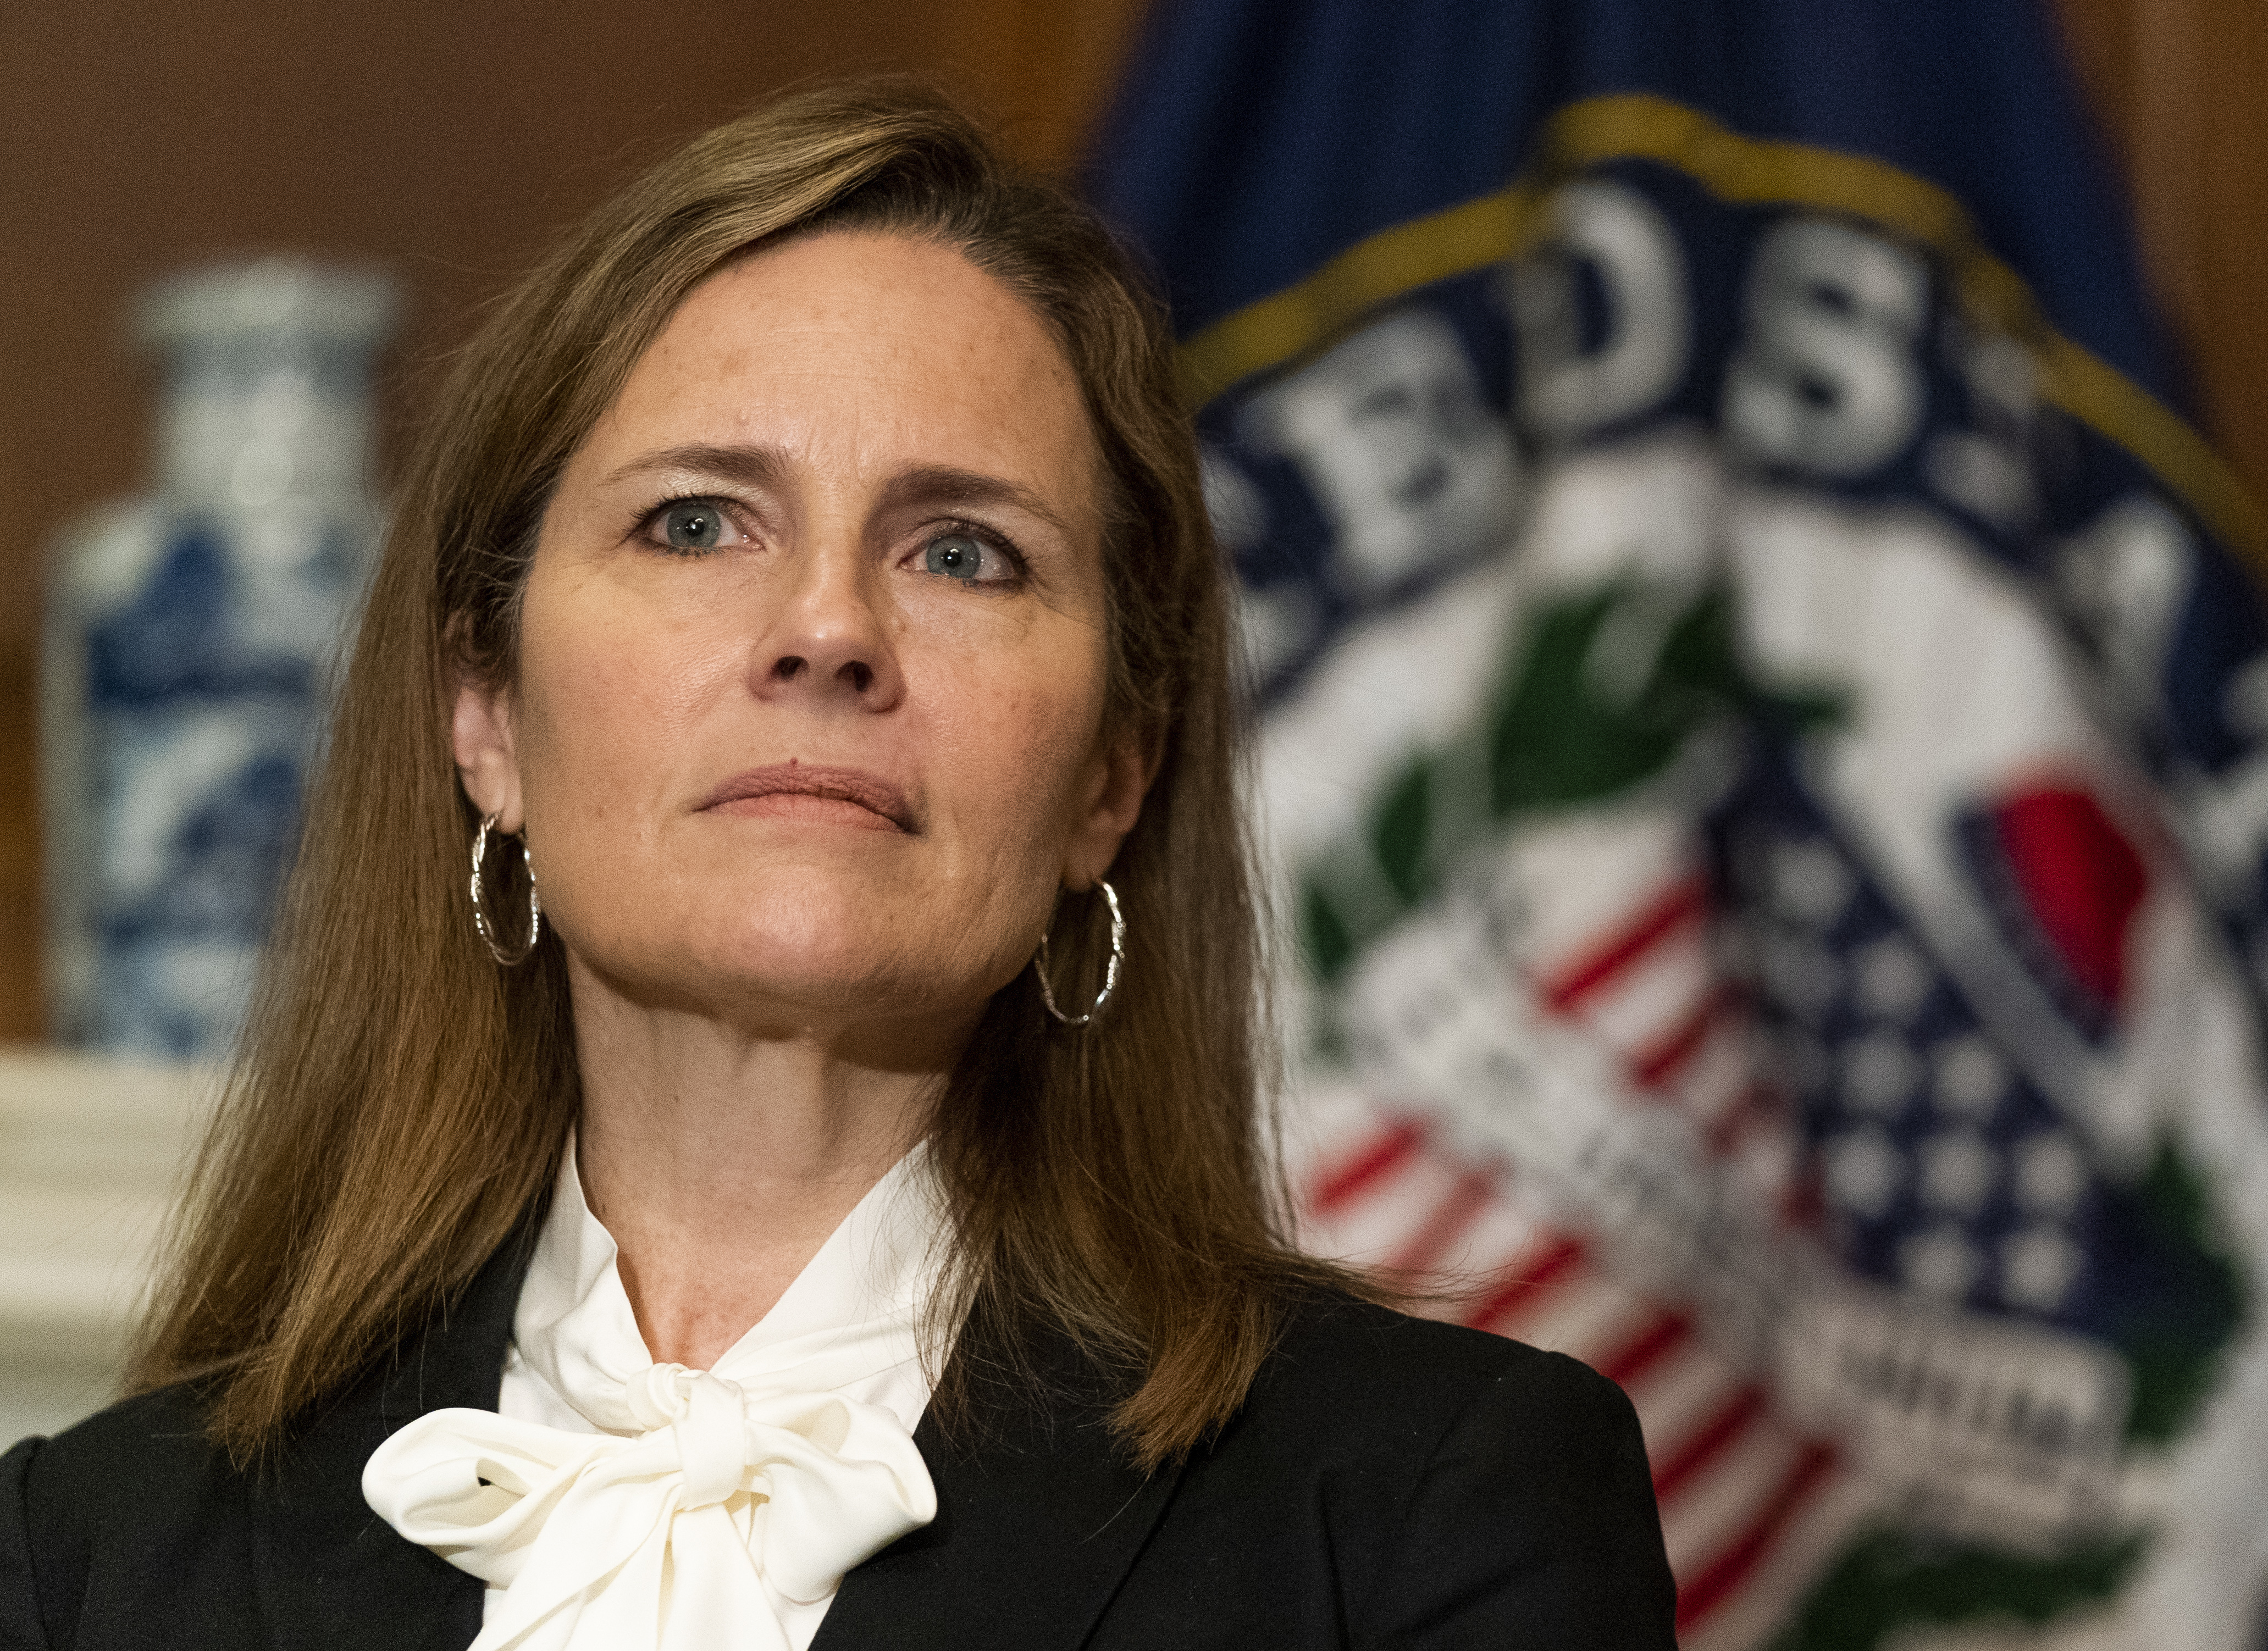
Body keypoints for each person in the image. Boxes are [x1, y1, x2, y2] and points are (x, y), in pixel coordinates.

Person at [0, 82, 1676, 1650]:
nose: (826, 631)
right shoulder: (87, 1558)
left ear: (1113, 775)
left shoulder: (1423, 1512)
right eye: (696, 522)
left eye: (965, 552)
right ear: (487, 714)